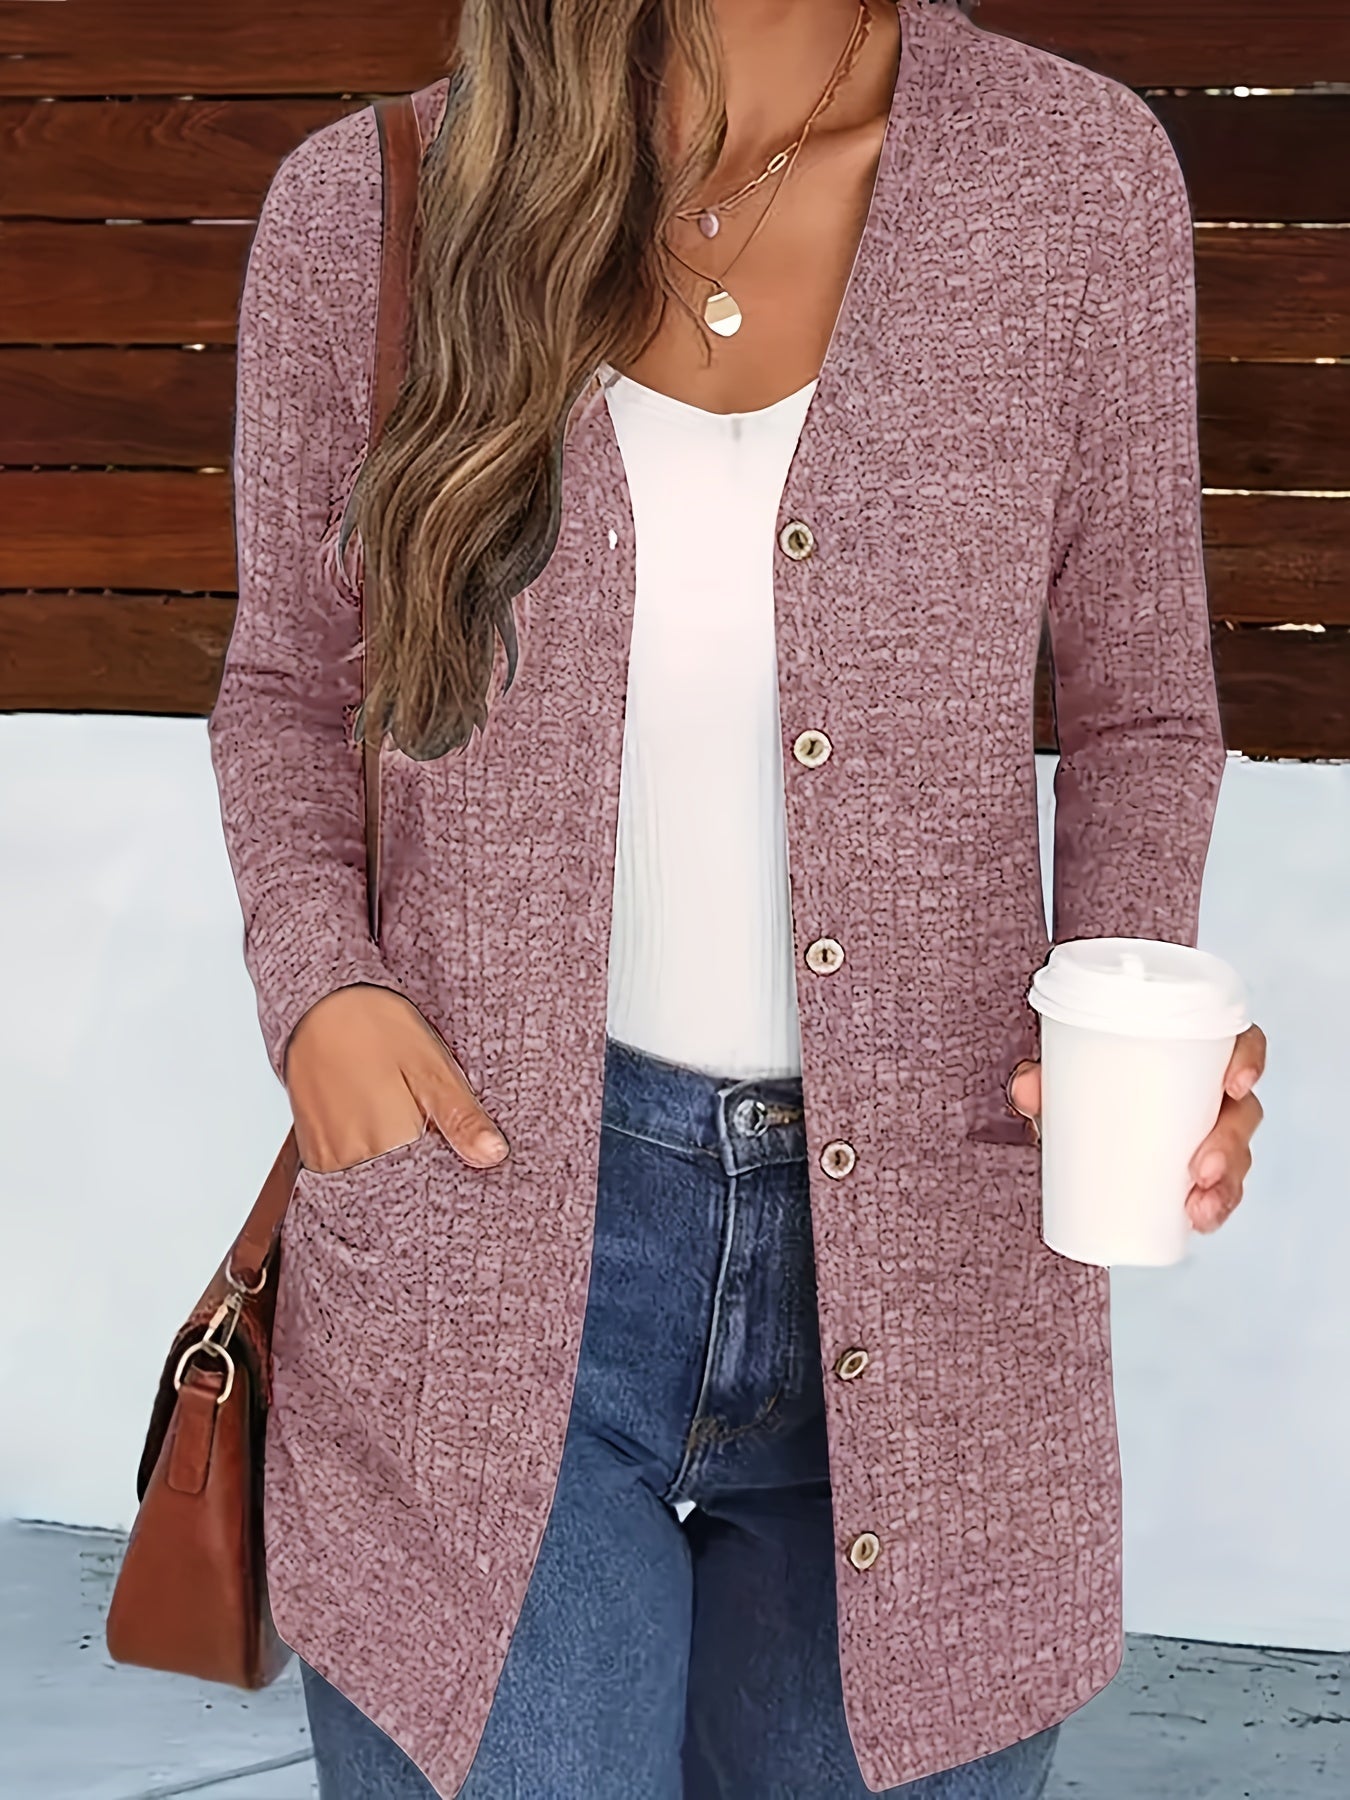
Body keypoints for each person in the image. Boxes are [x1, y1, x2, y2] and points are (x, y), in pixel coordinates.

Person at [209, 0, 1265, 1794]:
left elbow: (1142, 711)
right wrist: (320, 989)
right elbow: (289, 689)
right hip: (479, 1236)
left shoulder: (1074, 180)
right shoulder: (380, 200)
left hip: (939, 1266)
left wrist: (1136, 1010)